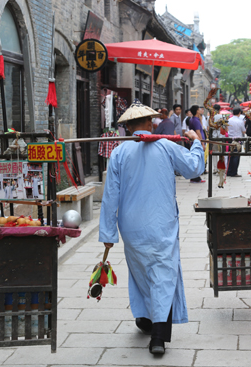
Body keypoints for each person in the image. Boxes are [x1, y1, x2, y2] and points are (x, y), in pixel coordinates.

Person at [99, 100, 204, 355]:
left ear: (128, 127)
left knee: (142, 272)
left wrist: (108, 234)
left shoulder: (119, 153)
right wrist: (196, 141)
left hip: (131, 227)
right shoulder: (166, 146)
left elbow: (110, 196)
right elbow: (194, 168)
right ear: (148, 123)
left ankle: (145, 320)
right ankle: (157, 336)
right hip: (161, 224)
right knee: (162, 274)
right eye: (152, 121)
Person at [187, 105, 206, 183]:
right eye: (199, 109)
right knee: (197, 159)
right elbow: (198, 132)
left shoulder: (194, 119)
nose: (201, 110)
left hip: (195, 142)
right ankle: (195, 177)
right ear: (197, 111)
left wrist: (200, 119)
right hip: (197, 142)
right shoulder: (195, 120)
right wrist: (202, 143)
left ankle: (196, 176)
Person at [226, 108, 246, 177]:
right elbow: (244, 131)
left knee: (230, 155)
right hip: (238, 140)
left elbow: (227, 129)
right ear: (239, 113)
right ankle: (234, 172)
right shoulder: (240, 121)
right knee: (236, 156)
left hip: (230, 139)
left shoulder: (229, 120)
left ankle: (229, 171)